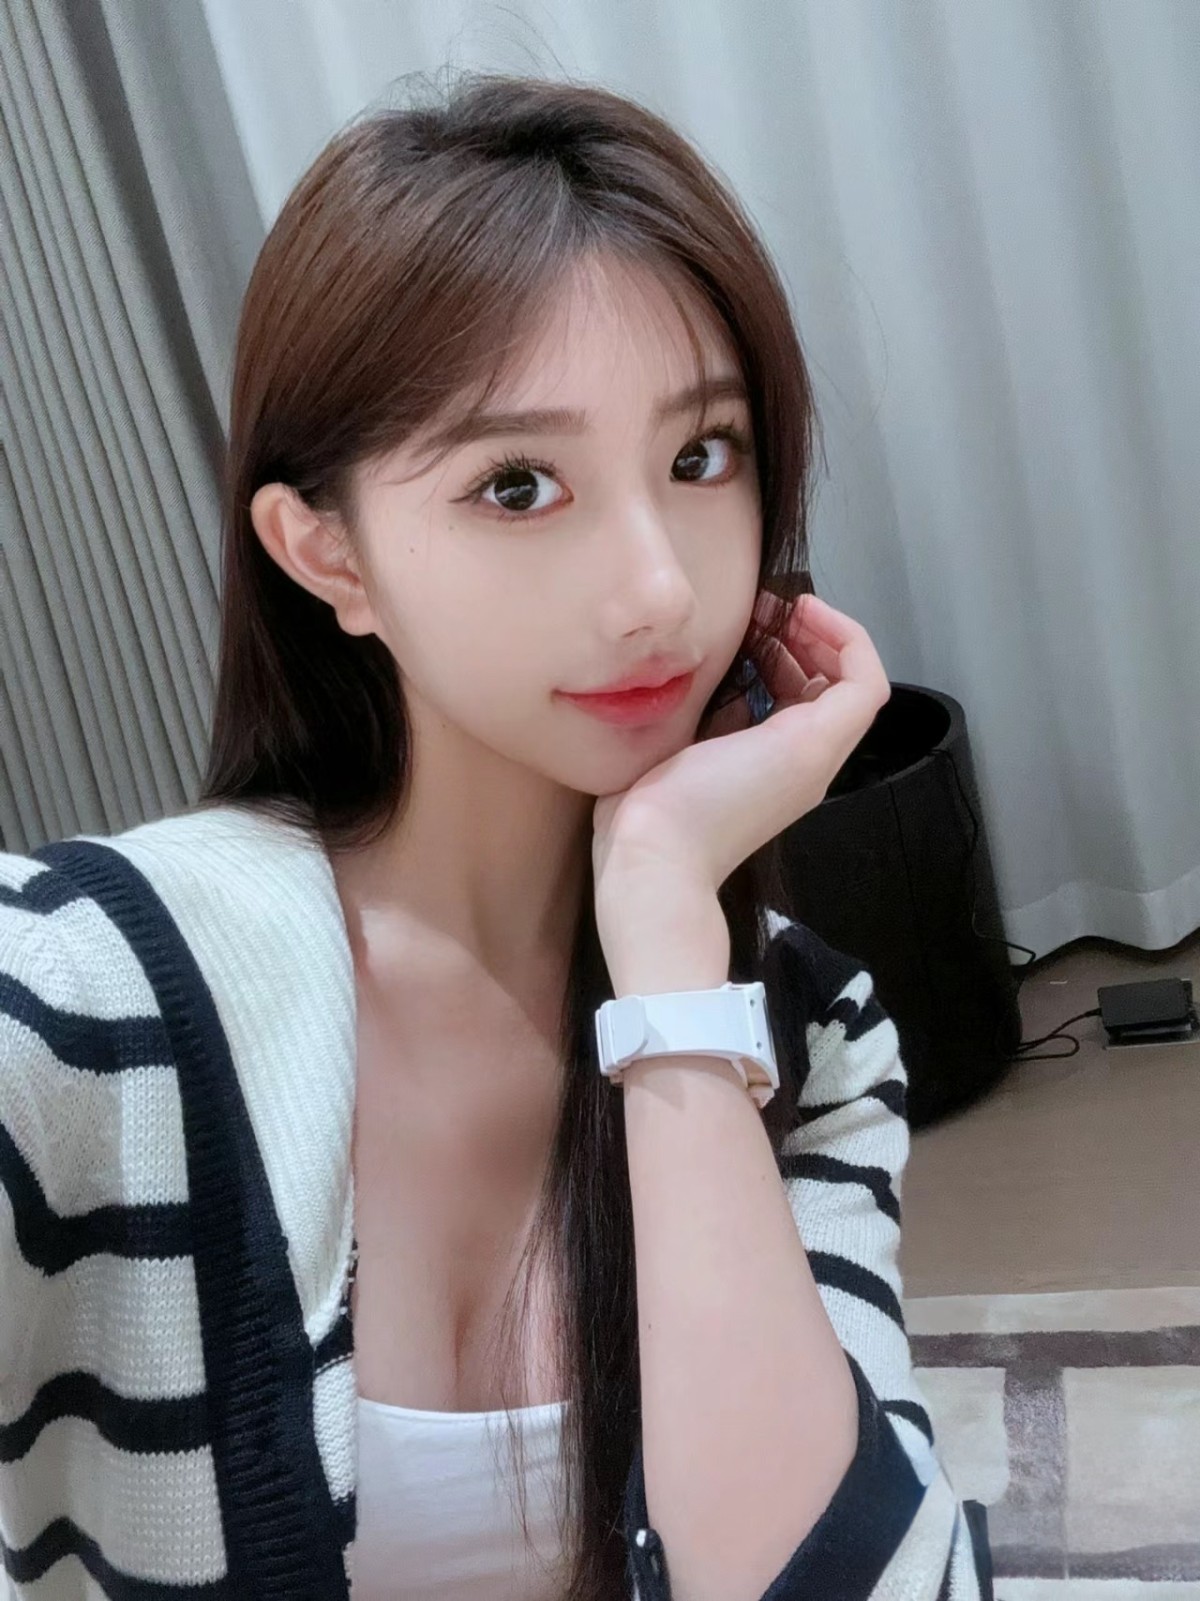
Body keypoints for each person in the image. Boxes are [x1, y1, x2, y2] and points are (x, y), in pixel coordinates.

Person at [0, 71, 992, 1601]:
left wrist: (665, 930)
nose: (657, 588)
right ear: (327, 554)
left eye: (701, 455)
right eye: (519, 484)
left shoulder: (805, 1026)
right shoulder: (78, 997)